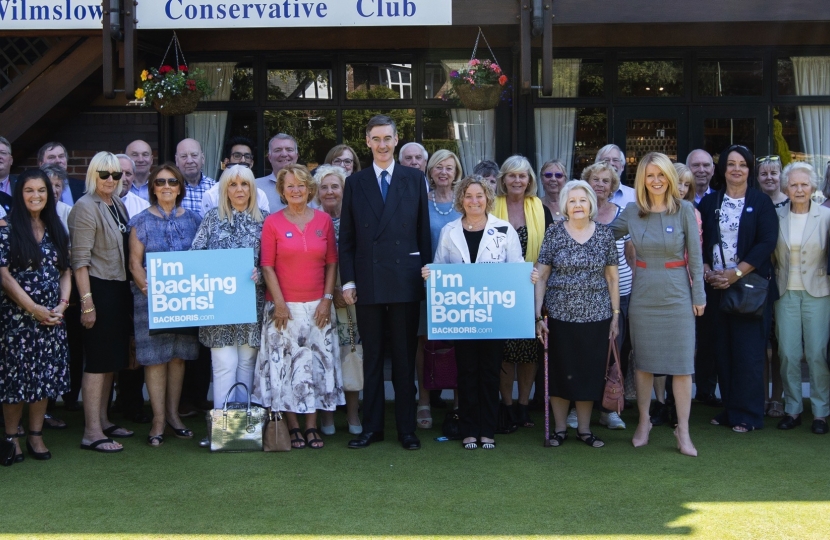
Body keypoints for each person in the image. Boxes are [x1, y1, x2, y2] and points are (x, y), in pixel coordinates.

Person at [339, 115, 432, 450]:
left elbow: (422, 233)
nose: (381, 144)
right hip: (368, 282)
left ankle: (407, 429)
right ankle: (372, 428)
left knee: (406, 359)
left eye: (387, 138)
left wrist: (426, 276)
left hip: (406, 279)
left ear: (396, 140)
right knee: (373, 357)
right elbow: (346, 240)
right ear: (367, 141)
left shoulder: (413, 178)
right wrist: (347, 281)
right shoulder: (356, 182)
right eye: (375, 138)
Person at [423, 175, 532, 449]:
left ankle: (488, 430)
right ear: (461, 199)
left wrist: (525, 277)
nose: (474, 201)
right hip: (463, 317)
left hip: (493, 316)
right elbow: (440, 267)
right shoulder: (449, 231)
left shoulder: (504, 230)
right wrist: (429, 274)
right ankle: (470, 429)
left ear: (487, 199)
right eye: (469, 196)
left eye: (479, 195)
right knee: (467, 371)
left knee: (490, 371)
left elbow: (515, 266)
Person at [610, 153, 705, 456]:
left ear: (670, 177)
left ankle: (684, 431)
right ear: (642, 179)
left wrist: (699, 295)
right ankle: (643, 422)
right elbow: (601, 236)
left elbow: (697, 259)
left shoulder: (685, 209)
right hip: (643, 294)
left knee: (682, 366)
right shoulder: (631, 210)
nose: (656, 181)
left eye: (661, 175)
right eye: (650, 175)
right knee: (644, 363)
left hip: (678, 293)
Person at [253, 164, 343, 450]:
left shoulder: (323, 221)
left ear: (309, 189)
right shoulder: (273, 223)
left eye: (301, 185)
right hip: (283, 308)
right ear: (281, 190)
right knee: (285, 368)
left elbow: (331, 262)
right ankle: (292, 427)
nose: (295, 190)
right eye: (290, 186)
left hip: (318, 306)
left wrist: (327, 300)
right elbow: (266, 265)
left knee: (315, 366)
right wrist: (279, 303)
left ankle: (312, 426)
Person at [699, 144, 778, 433]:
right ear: (723, 168)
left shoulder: (761, 202)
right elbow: (699, 240)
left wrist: (735, 273)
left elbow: (766, 243)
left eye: (742, 164)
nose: (736, 169)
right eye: (730, 163)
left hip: (749, 288)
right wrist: (708, 270)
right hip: (716, 287)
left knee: (748, 353)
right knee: (723, 351)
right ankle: (731, 408)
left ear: (749, 169)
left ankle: (749, 414)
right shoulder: (710, 203)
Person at [536, 180, 619, 449]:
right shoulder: (554, 233)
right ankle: (560, 429)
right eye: (572, 201)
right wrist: (537, 315)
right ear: (564, 206)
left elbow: (612, 278)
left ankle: (584, 430)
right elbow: (542, 275)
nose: (577, 205)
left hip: (597, 317)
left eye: (582, 200)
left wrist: (616, 315)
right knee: (560, 374)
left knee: (588, 374)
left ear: (591, 204)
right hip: (558, 317)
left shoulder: (605, 235)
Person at [191, 165, 267, 446]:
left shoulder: (264, 221)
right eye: (233, 185)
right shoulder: (212, 219)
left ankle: (242, 429)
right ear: (225, 189)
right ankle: (220, 430)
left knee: (247, 363)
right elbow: (194, 258)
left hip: (251, 305)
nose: (239, 190)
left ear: (252, 188)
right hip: (219, 308)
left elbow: (273, 262)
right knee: (224, 364)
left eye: (244, 184)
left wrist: (262, 272)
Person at [0, 169, 71, 464]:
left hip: (52, 319)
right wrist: (33, 309)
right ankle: (11, 437)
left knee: (43, 379)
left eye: (41, 190)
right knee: (15, 382)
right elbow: (3, 276)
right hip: (18, 321)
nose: (36, 196)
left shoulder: (55, 228)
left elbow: (66, 270)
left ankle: (36, 434)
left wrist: (62, 305)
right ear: (20, 194)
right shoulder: (5, 228)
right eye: (29, 191)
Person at [128, 164, 202, 447]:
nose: (167, 186)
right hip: (150, 300)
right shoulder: (140, 221)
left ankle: (173, 415)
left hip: (186, 300)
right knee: (155, 358)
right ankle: (158, 419)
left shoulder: (195, 219)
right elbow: (135, 263)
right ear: (153, 188)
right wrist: (151, 290)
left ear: (180, 186)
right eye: (160, 182)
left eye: (173, 181)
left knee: (178, 357)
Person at [68, 151, 134, 453]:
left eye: (116, 175)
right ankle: (91, 431)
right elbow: (79, 261)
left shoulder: (118, 204)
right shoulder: (84, 207)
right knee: (96, 361)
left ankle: (104, 420)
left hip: (118, 288)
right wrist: (86, 303)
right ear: (93, 174)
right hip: (96, 289)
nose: (110, 180)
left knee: (110, 360)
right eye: (104, 174)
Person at [493, 155, 553, 431]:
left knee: (529, 352)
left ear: (529, 180)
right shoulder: (491, 207)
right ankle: (506, 406)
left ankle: (523, 406)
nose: (517, 180)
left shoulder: (540, 209)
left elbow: (551, 252)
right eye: (512, 175)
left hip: (534, 289)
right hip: (498, 291)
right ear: (503, 179)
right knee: (505, 351)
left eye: (523, 175)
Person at [772, 162, 830, 435]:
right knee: (787, 353)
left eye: (804, 184)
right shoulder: (776, 215)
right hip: (785, 292)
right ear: (785, 187)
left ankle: (820, 413)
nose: (799, 189)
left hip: (818, 292)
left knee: (817, 353)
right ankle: (793, 409)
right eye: (793, 184)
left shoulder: (826, 216)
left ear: (813, 187)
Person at [583, 161, 634, 431]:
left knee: (615, 353)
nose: (599, 185)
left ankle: (609, 409)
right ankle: (582, 408)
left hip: (620, 294)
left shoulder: (623, 213)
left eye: (605, 181)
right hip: (586, 297)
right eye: (595, 179)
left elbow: (631, 255)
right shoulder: (578, 210)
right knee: (588, 353)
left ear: (613, 186)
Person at [415, 149, 463, 429]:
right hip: (426, 282)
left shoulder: (466, 200)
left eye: (449, 167)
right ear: (430, 172)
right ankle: (424, 401)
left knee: (460, 343)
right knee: (424, 342)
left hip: (460, 285)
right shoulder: (421, 201)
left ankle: (459, 403)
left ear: (456, 172)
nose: (444, 172)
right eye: (438, 167)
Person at [313, 165, 362, 435]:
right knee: (323, 356)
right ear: (317, 192)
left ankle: (353, 414)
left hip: (351, 299)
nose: (330, 192)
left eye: (335, 186)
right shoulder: (311, 220)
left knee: (351, 353)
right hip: (319, 299)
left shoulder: (356, 219)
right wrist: (329, 294)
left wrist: (348, 288)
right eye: (324, 187)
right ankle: (327, 415)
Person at [114, 153, 151, 425]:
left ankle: (133, 404)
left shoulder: (141, 206)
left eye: (128, 173)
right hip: (107, 286)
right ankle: (107, 407)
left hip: (136, 286)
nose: (124, 178)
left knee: (135, 347)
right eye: (118, 173)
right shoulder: (95, 205)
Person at [755, 155, 787, 418]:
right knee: (760, 341)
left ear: (781, 176)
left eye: (774, 173)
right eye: (764, 173)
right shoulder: (754, 204)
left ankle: (777, 397)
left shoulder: (792, 205)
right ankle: (761, 397)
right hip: (760, 283)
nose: (769, 178)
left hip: (786, 282)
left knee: (780, 344)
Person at [200, 137, 269, 216]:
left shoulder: (260, 195)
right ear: (226, 162)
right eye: (237, 155)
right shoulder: (211, 195)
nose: (243, 160)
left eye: (247, 156)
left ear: (252, 163)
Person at [256, 133, 299, 213]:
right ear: (270, 157)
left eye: (289, 149)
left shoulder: (311, 186)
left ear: (296, 156)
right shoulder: (255, 186)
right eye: (278, 150)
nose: (284, 154)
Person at [175, 139, 215, 217]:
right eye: (184, 156)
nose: (189, 161)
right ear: (176, 160)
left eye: (194, 155)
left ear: (203, 158)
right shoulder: (170, 188)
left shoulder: (215, 188)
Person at [40, 164, 71, 232]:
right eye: (49, 185)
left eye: (57, 186)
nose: (53, 191)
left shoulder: (68, 212)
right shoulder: (32, 210)